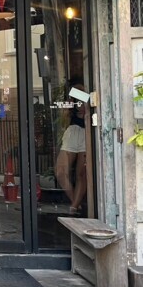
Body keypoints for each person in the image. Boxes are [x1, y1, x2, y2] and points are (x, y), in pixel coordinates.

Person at [55, 84, 87, 215]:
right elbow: (63, 122)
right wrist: (67, 109)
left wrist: (86, 105)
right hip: (72, 131)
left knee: (82, 173)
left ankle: (74, 207)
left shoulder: (88, 97)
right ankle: (76, 202)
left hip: (87, 132)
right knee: (60, 171)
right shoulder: (71, 103)